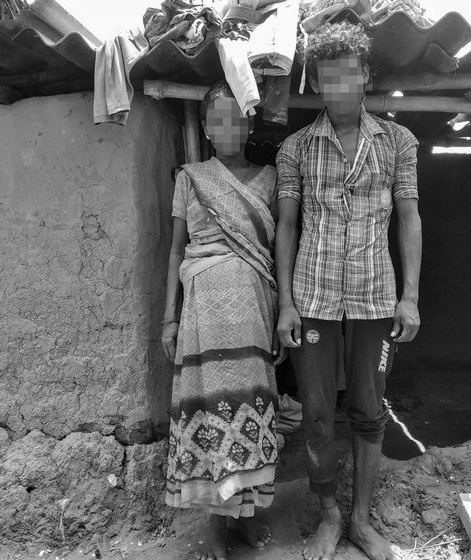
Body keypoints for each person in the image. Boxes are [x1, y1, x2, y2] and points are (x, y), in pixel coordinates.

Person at [275, 21, 422, 560]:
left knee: (368, 408)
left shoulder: (398, 142)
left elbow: (409, 218)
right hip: (312, 299)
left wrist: (409, 297)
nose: (337, 87)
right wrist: (286, 303)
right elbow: (287, 226)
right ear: (315, 83)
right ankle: (329, 516)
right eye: (326, 77)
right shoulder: (296, 148)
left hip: (374, 298)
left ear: (364, 76)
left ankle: (361, 519)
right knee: (315, 412)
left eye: (347, 75)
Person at [161, 83, 286, 560]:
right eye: (217, 119)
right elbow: (176, 248)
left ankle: (250, 519)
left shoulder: (271, 179)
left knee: (252, 413)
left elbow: (276, 253)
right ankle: (217, 525)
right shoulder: (190, 178)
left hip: (253, 311)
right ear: (208, 129)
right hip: (203, 316)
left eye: (236, 118)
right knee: (212, 415)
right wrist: (168, 318)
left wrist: (281, 317)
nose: (227, 127)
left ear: (249, 124)